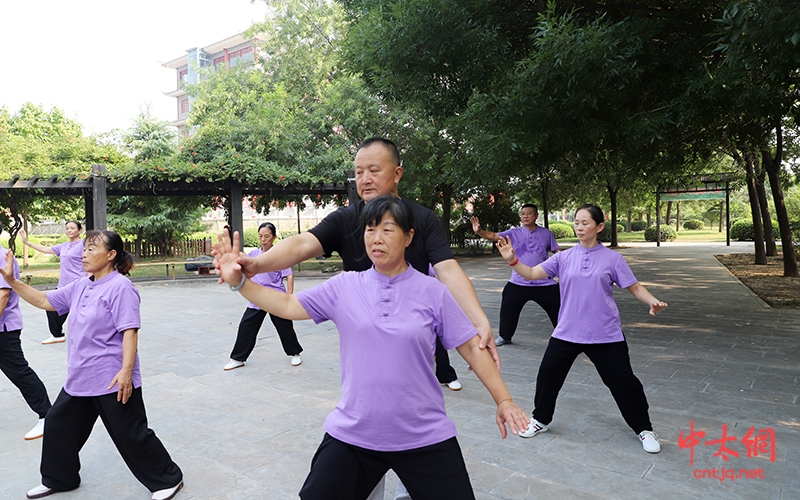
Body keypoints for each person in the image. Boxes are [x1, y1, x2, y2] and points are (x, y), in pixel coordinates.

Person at [216, 195, 530, 499]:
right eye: (370, 229)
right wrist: (241, 283)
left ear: (408, 237)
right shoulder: (345, 286)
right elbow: (286, 304)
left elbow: (472, 348)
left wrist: (504, 400)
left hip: (422, 433)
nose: (376, 238)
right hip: (355, 431)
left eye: (387, 229)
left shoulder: (432, 291)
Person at [220, 137, 500, 387]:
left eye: (374, 170)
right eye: (359, 173)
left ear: (397, 173)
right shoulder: (346, 218)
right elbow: (304, 243)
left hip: (412, 326)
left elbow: (447, 269)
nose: (365, 179)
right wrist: (257, 265)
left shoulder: (423, 219)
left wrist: (479, 320)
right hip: (364, 333)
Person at [1, 230, 183, 500]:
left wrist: (126, 372)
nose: (84, 253)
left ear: (111, 255)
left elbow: (129, 331)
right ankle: (59, 478)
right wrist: (12, 281)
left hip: (111, 377)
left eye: (91, 249)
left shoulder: (121, 287)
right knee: (58, 427)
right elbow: (45, 301)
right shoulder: (81, 285)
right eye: (84, 249)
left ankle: (169, 479)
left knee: (130, 433)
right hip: (80, 376)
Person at [496, 204, 667, 453]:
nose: (579, 227)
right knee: (548, 377)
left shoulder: (613, 259)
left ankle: (644, 429)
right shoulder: (563, 257)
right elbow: (532, 273)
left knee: (624, 383)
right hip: (567, 331)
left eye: (585, 223)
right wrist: (512, 259)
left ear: (599, 226)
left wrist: (652, 301)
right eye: (576, 222)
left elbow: (634, 286)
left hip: (605, 334)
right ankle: (541, 420)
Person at [470, 204, 561, 346]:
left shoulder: (546, 234)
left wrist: (562, 273)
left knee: (558, 308)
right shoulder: (513, 233)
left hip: (543, 282)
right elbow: (493, 236)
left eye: (529, 213)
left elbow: (557, 253)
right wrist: (479, 231)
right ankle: (505, 336)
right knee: (508, 304)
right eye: (523, 213)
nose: (525, 216)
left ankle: (565, 335)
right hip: (519, 282)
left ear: (536, 216)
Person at [224, 222, 303, 370]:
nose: (263, 239)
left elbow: (289, 276)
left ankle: (295, 354)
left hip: (276, 298)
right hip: (257, 298)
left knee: (284, 327)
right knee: (246, 327)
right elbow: (241, 268)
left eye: (267, 236)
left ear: (273, 237)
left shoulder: (279, 255)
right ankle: (238, 358)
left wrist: (289, 296)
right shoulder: (253, 254)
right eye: (260, 236)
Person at [0, 225, 51, 441]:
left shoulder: (3, 256)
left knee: (19, 372)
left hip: (4, 329)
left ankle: (48, 415)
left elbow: (3, 296)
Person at [19, 220, 85, 344]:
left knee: (78, 314)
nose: (69, 230)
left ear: (79, 230)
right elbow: (45, 249)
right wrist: (26, 242)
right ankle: (57, 335)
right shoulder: (64, 246)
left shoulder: (83, 245)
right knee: (50, 306)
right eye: (67, 228)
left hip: (78, 285)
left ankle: (84, 338)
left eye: (72, 228)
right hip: (62, 286)